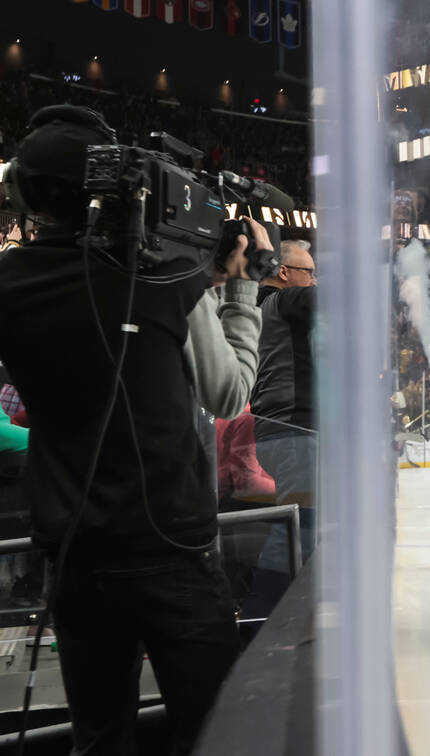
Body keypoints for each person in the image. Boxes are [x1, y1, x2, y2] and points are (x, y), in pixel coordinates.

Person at [0, 105, 267, 754]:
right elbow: (230, 392)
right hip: (169, 549)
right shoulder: (167, 275)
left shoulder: (8, 285)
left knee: (98, 739)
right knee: (215, 729)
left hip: (73, 553)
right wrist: (239, 288)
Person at [245, 239, 318, 618]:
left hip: (282, 432)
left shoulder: (259, 308)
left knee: (303, 527)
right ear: (284, 272)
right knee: (298, 528)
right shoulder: (282, 301)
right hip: (294, 433)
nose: (314, 281)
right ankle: (260, 624)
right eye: (309, 273)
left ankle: (276, 619)